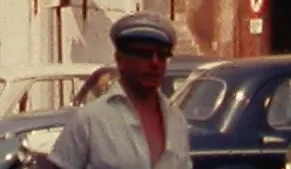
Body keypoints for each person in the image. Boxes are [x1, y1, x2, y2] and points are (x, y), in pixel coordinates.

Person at [46, 12, 190, 169]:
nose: (155, 63)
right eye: (144, 54)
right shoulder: (90, 121)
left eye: (162, 56)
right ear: (120, 59)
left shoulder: (176, 120)